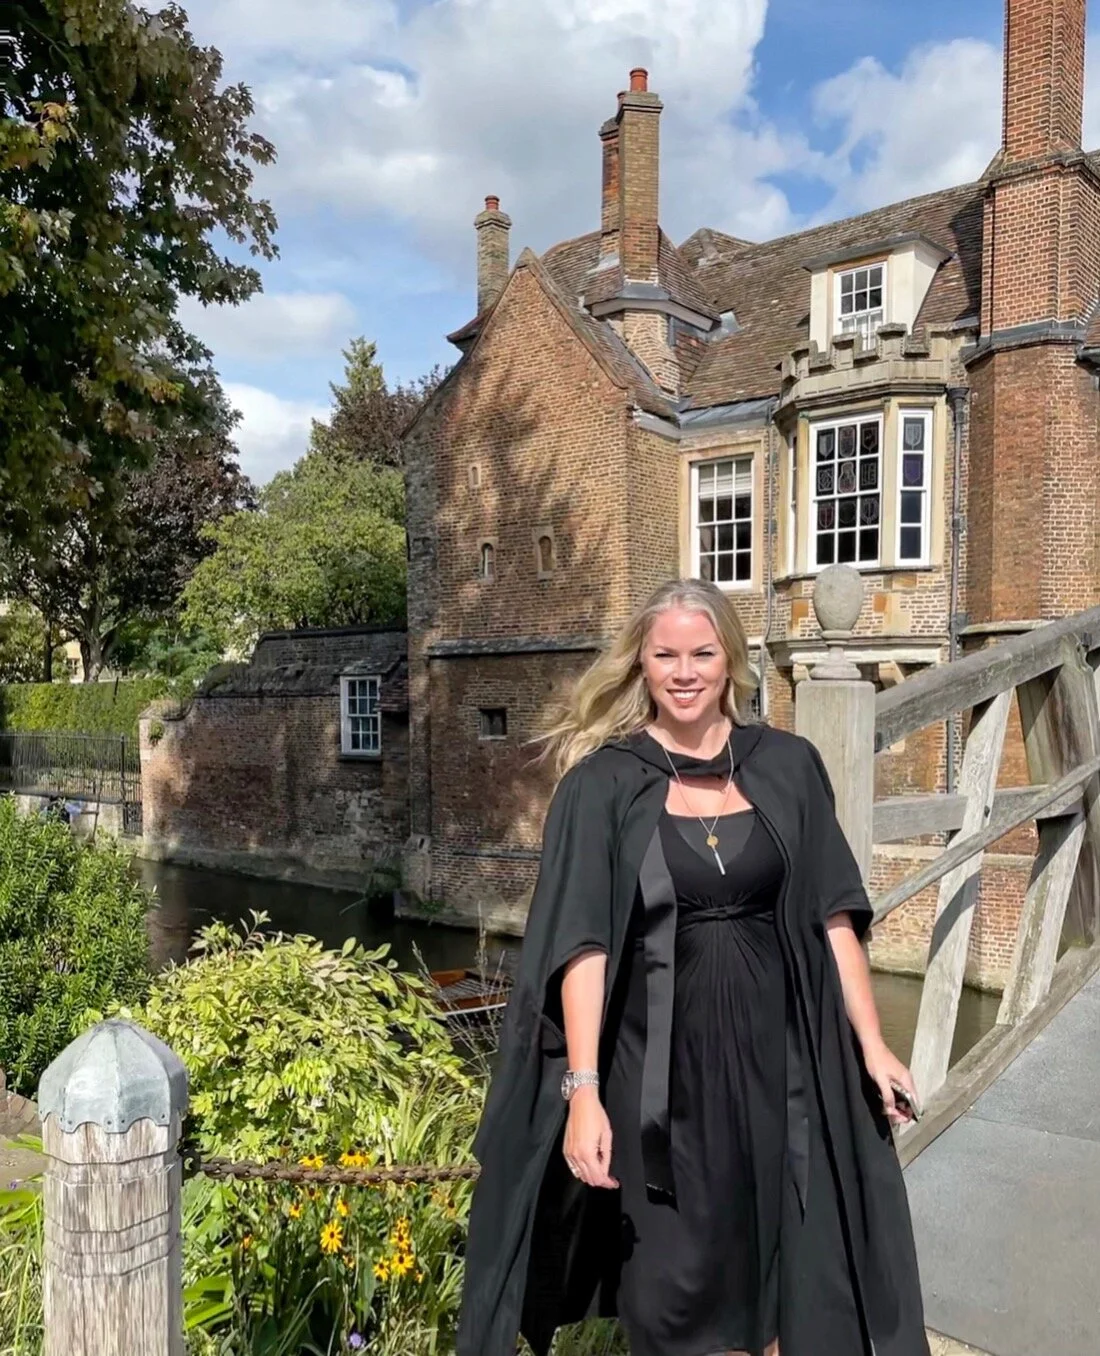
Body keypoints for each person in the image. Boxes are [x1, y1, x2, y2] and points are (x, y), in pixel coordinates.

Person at [456, 578, 929, 1356]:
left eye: (702, 654)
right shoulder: (602, 785)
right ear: (640, 664)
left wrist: (872, 1045)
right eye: (665, 655)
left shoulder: (788, 766)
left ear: (731, 660)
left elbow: (833, 914)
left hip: (782, 1075)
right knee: (673, 1301)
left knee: (785, 1289)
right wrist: (583, 1092)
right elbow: (582, 947)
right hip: (658, 1090)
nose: (684, 672)